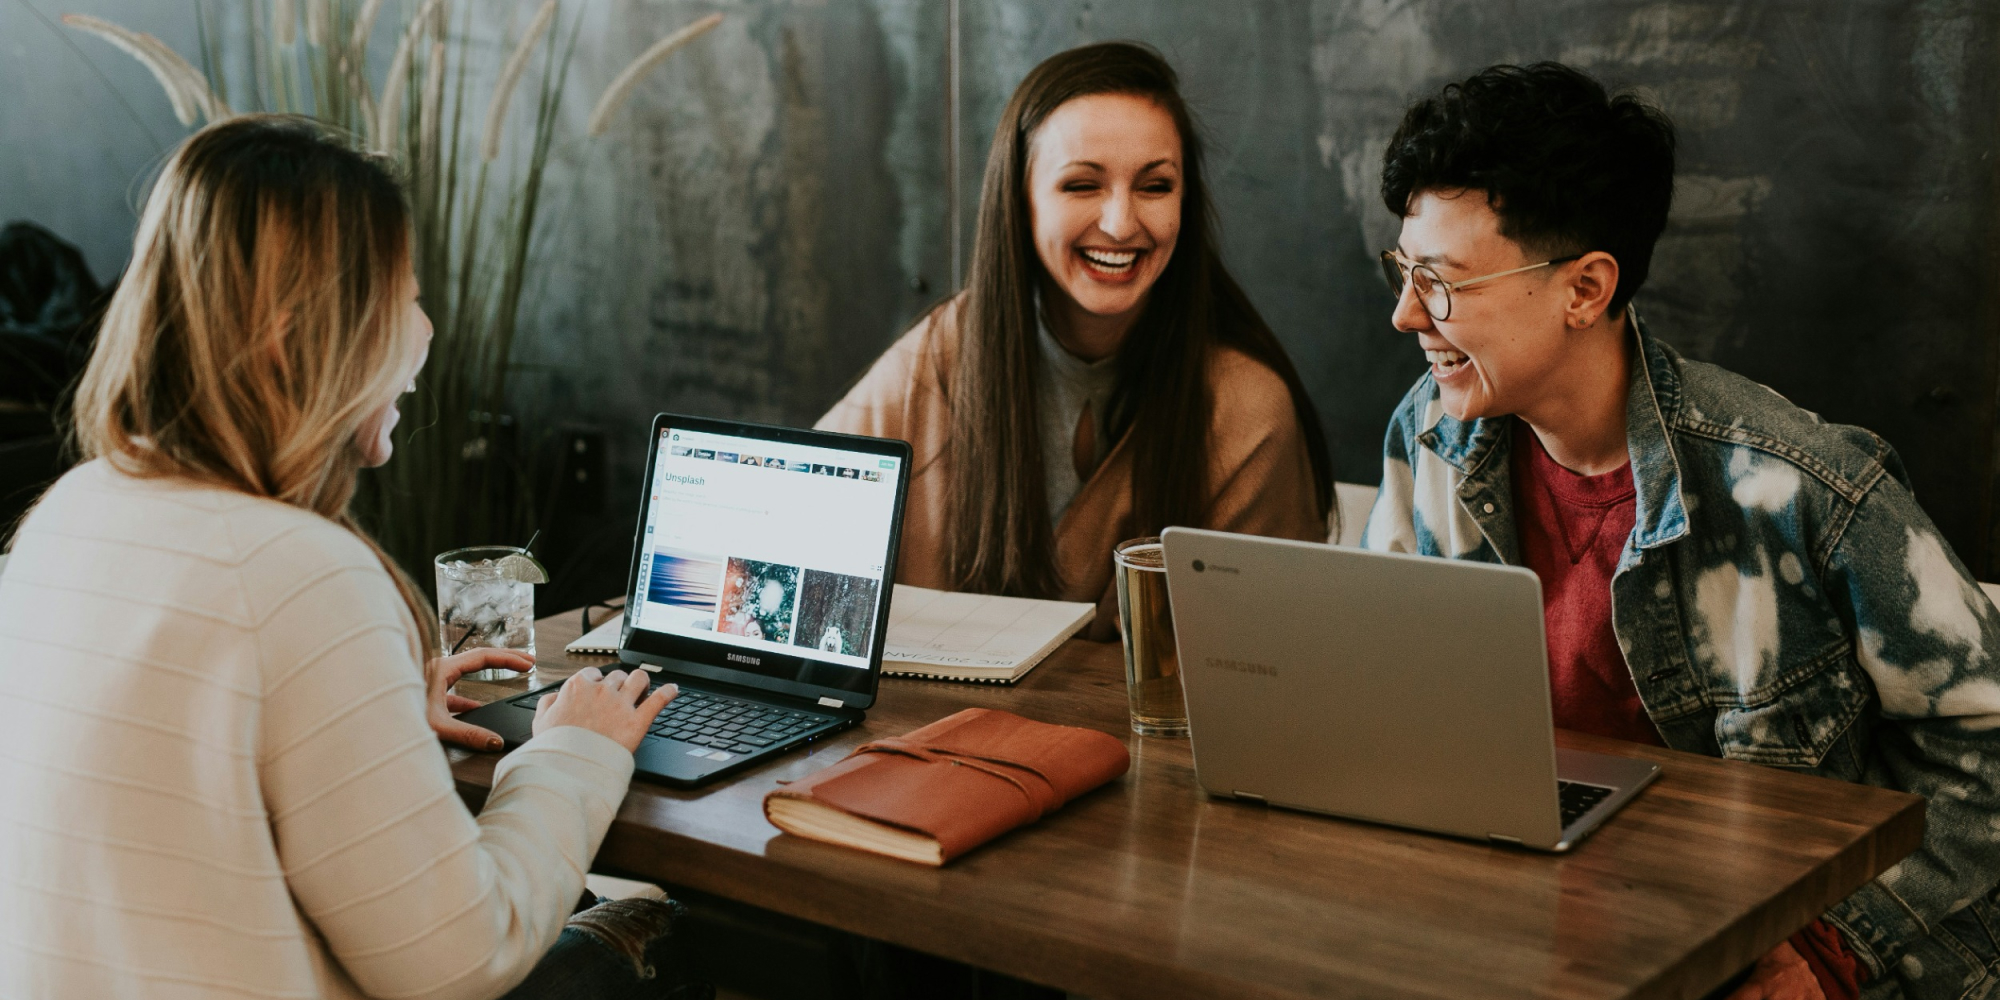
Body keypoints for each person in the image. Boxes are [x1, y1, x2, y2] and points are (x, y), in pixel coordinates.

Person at [0, 116, 699, 998]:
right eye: (404, 297)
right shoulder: (301, 572)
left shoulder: (69, 513)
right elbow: (458, 958)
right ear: (300, 337)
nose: (427, 329)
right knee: (657, 935)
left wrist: (374, 712)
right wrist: (569, 753)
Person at [1360, 63, 2000, 999]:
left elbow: (1986, 748)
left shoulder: (1798, 485)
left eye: (1442, 282)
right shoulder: (1430, 438)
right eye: (1403, 270)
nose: (1405, 313)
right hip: (1532, 932)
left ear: (1585, 288)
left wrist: (1833, 948)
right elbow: (1386, 709)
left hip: (1773, 950)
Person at [819, 42, 1332, 634]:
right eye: (1082, 186)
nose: (1120, 223)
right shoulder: (940, 355)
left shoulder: (1247, 408)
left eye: (1155, 186)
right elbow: (788, 522)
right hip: (931, 726)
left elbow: (1271, 661)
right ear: (1021, 200)